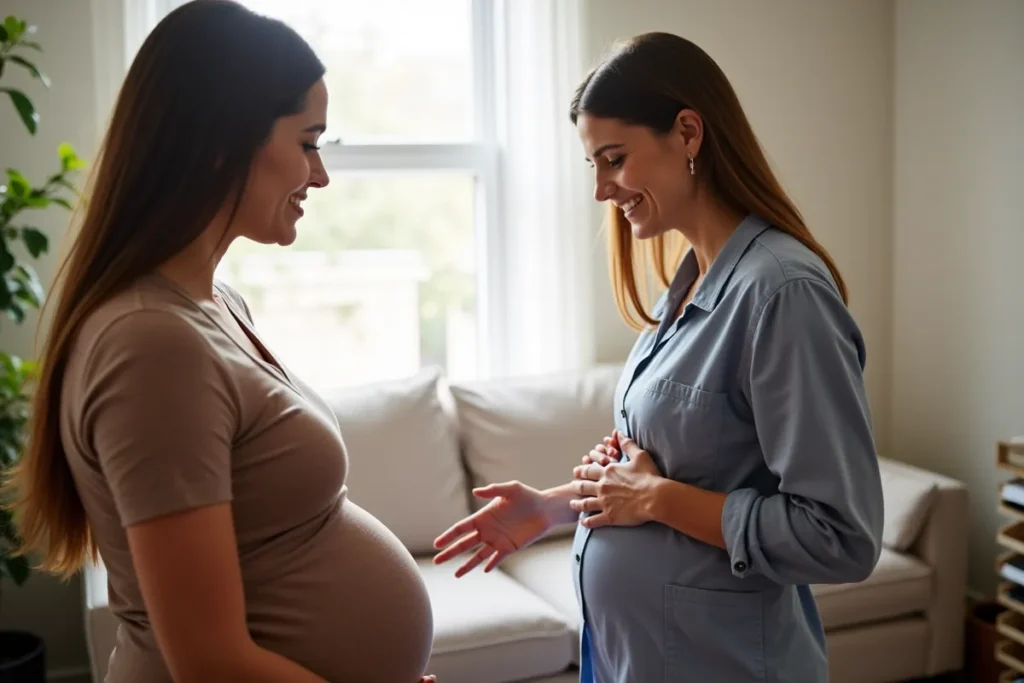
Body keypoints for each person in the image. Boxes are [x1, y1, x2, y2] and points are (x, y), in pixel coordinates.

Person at [5, 2, 437, 681]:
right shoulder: (149, 342)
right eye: (307, 141)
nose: (319, 176)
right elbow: (209, 661)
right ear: (220, 141)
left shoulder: (214, 304)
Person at [433, 31, 884, 682]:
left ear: (688, 133)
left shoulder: (782, 294)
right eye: (594, 164)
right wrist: (554, 507)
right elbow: (664, 474)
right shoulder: (690, 284)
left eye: (614, 158)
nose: (601, 190)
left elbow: (840, 536)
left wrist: (656, 498)